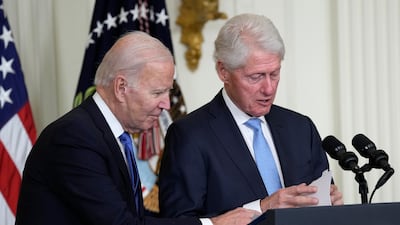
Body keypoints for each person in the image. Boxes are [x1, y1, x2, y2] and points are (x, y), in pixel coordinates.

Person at [15, 31, 259, 225]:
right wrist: (212, 224)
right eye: (157, 92)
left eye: (168, 92)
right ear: (121, 87)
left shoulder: (112, 135)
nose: (166, 104)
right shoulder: (74, 138)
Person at [158, 13, 343, 222]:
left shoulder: (300, 128)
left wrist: (330, 205)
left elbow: (321, 208)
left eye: (274, 74)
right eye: (256, 77)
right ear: (223, 72)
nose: (269, 88)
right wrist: (262, 207)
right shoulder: (189, 135)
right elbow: (179, 220)